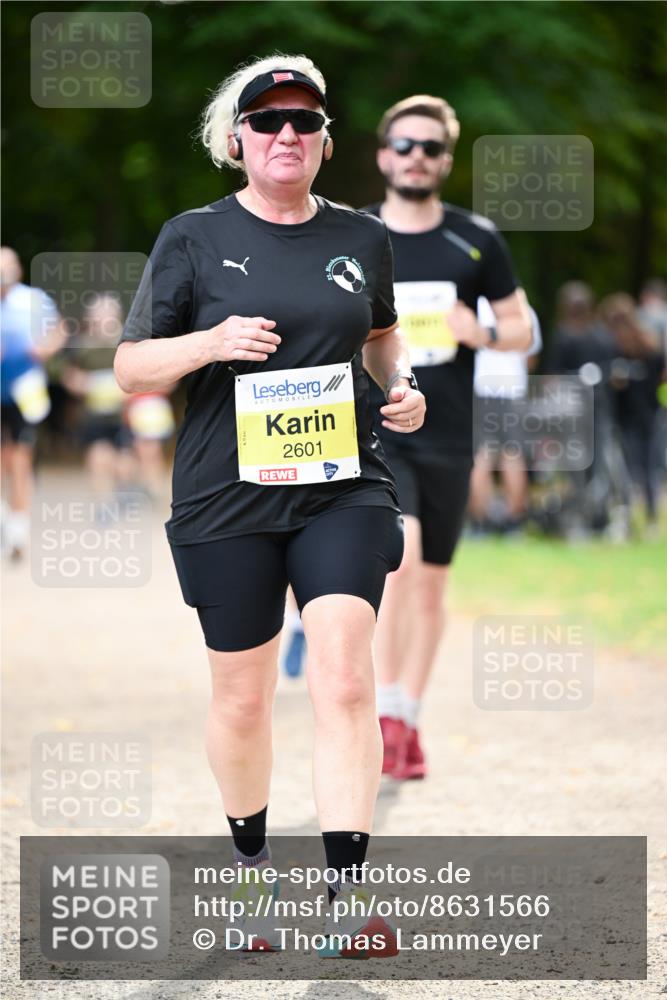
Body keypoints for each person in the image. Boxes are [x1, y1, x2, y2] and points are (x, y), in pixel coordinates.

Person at [114, 55, 425, 956]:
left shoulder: (363, 237)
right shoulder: (192, 236)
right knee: (243, 700)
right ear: (237, 138)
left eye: (304, 122)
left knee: (341, 674)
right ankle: (253, 874)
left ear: (325, 142)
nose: (286, 135)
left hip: (343, 488)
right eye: (267, 120)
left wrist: (400, 389)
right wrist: (209, 341)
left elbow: (380, 336)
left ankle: (345, 895)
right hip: (226, 495)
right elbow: (133, 367)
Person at [363, 95, 532, 780]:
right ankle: (375, 712)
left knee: (430, 584)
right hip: (372, 426)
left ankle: (405, 714)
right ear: (382, 155)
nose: (416, 157)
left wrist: (481, 331)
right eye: (404, 145)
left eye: (430, 147)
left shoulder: (475, 239)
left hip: (448, 431)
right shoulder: (352, 233)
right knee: (396, 563)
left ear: (445, 160)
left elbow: (521, 330)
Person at [1, 246, 65, 560]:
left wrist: (45, 349)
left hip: (24, 389)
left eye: (8, 265)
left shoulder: (34, 300)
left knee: (20, 457)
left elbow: (58, 331)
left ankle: (17, 531)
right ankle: (7, 519)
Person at [469, 293, 542, 534]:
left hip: (481, 386)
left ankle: (480, 521)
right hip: (512, 389)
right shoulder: (521, 307)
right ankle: (514, 520)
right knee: (513, 455)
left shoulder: (474, 305)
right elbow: (530, 355)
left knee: (481, 456)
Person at [598, 293, 665, 532]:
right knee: (648, 469)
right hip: (651, 414)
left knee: (629, 469)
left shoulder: (615, 350)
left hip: (627, 418)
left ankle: (629, 517)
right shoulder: (652, 347)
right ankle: (650, 519)